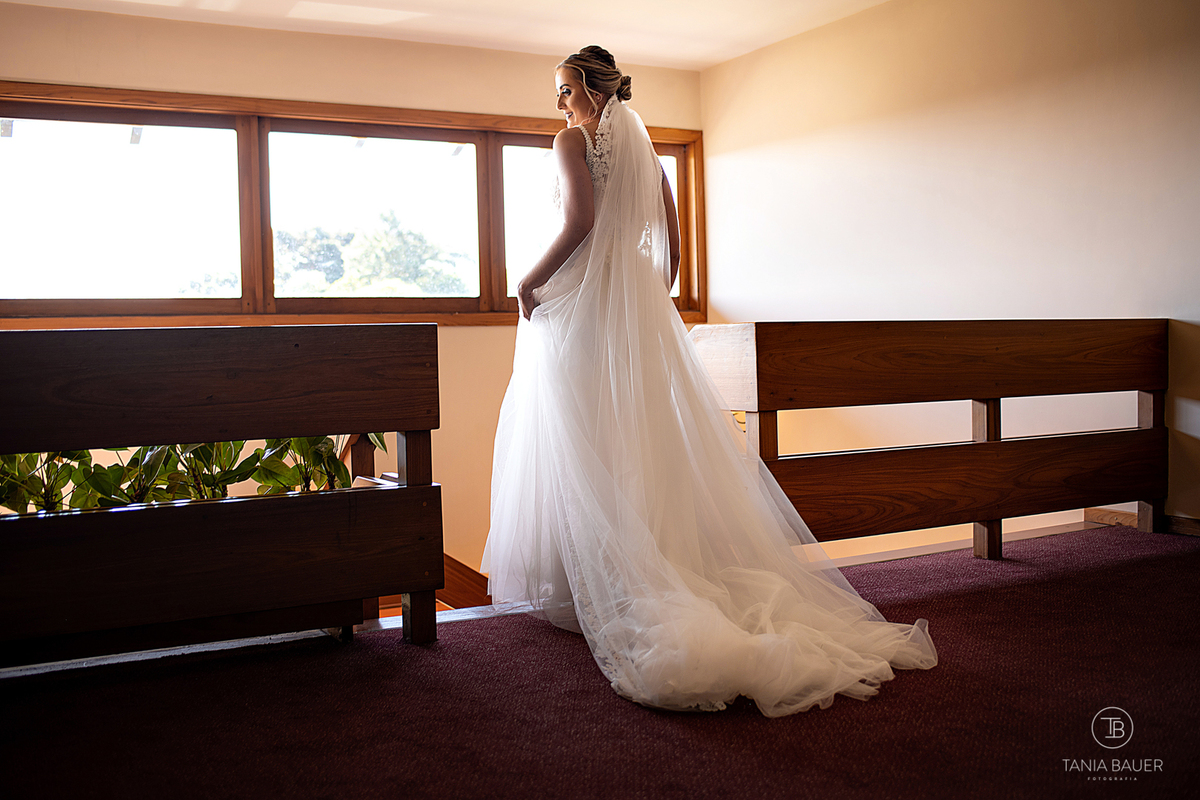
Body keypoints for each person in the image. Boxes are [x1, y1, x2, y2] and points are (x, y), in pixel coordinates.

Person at [482, 46, 937, 717]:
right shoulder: (645, 152)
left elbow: (578, 223)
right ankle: (640, 572)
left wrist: (529, 282)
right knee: (634, 441)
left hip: (581, 315)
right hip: (635, 316)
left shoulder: (569, 141)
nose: (560, 104)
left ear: (591, 90)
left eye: (566, 89)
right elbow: (668, 253)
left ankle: (598, 588)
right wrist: (637, 296)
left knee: (583, 443)